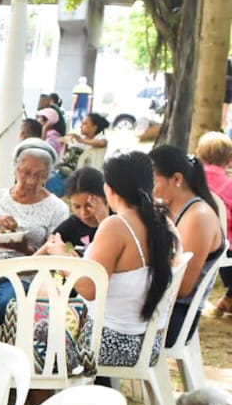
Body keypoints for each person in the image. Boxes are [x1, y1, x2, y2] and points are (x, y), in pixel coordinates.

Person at [13, 150, 174, 371]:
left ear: (108, 189)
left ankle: (47, 401)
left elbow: (89, 289)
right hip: (149, 342)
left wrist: (61, 255)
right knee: (50, 319)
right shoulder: (162, 222)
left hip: (107, 344)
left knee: (28, 327)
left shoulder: (116, 226)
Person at [0, 141, 70, 322]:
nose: (31, 180)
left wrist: (24, 248)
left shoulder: (57, 208)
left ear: (48, 176)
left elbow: (54, 255)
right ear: (15, 169)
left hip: (22, 274)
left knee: (6, 305)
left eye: (39, 175)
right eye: (25, 172)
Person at [149, 144, 226, 343]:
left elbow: (181, 287)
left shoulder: (198, 217)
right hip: (162, 309)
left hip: (174, 317)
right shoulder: (170, 209)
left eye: (153, 181)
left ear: (176, 179)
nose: (149, 189)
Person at [194, 131, 232, 290]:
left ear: (199, 155)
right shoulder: (229, 186)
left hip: (192, 241)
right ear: (229, 160)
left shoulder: (189, 182)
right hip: (224, 247)